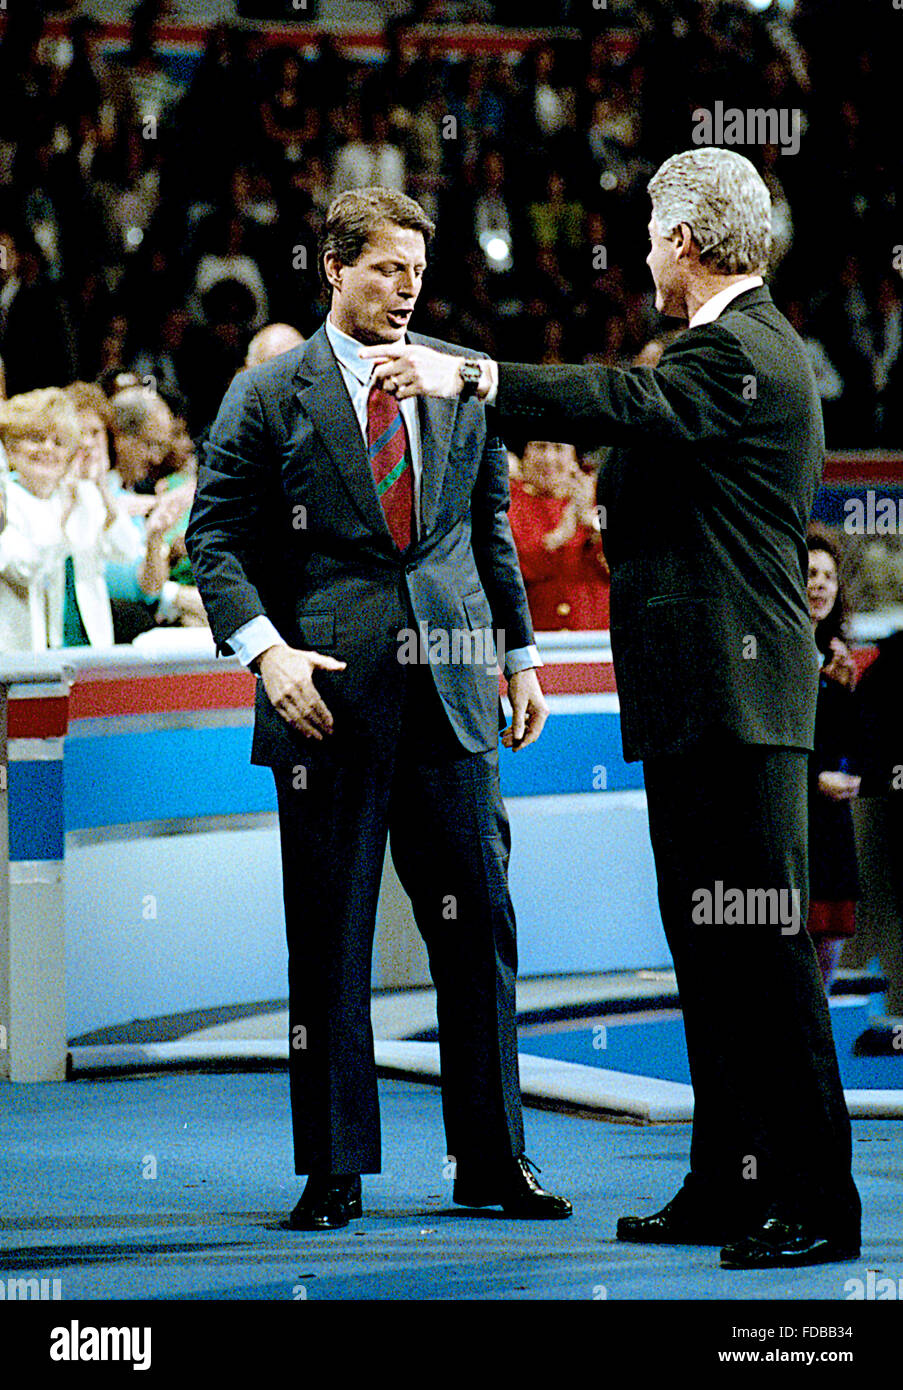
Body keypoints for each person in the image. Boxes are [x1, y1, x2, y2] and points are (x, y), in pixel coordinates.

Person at [363, 147, 862, 1270]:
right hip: (700, 707)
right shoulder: (719, 354)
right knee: (710, 955)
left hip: (740, 707)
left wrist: (472, 378)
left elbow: (626, 400)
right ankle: (729, 1182)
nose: (641, 252)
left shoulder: (744, 352)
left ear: (685, 240)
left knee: (767, 958)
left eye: (648, 231)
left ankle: (819, 1203)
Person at [185, 186, 571, 1231]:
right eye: (384, 269)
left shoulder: (456, 379)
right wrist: (265, 656)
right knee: (331, 939)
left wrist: (524, 658)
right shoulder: (266, 395)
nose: (404, 290)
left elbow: (488, 531)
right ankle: (336, 1168)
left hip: (454, 694)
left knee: (480, 928)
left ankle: (493, 1160)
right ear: (333, 268)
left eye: (416, 272)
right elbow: (212, 541)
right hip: (328, 705)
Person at [805, 529, 861, 992]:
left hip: (832, 832)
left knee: (826, 968)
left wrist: (846, 693)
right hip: (791, 824)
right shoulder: (769, 649)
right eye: (810, 574)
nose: (820, 584)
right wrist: (812, 779)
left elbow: (855, 747)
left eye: (828, 576)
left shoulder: (841, 660)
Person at [508, 439, 609, 630]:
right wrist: (560, 536)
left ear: (575, 458)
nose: (549, 458)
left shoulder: (601, 498)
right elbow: (514, 571)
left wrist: (592, 525)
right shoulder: (509, 504)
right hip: (538, 636)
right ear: (524, 455)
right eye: (540, 447)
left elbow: (621, 566)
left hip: (598, 641)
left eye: (559, 448)